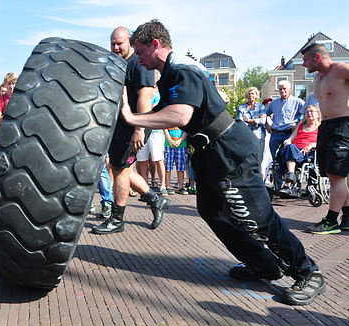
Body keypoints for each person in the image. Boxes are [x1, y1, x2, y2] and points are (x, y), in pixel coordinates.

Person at [120, 19, 324, 306]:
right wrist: (134, 126)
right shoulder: (168, 73)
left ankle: (307, 272)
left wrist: (133, 119)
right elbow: (164, 109)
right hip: (210, 155)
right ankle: (264, 264)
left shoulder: (182, 69)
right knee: (212, 211)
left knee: (257, 218)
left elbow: (179, 115)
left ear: (156, 44)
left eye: (139, 51)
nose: (137, 58)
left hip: (231, 152)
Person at [91, 26, 171, 235]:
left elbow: (145, 96)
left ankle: (117, 219)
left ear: (129, 42)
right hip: (121, 127)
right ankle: (155, 200)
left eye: (120, 43)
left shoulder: (138, 63)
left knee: (120, 171)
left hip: (132, 128)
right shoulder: (121, 64)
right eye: (112, 44)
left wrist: (139, 129)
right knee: (122, 169)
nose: (116, 47)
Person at [301, 43, 349, 234]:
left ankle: (330, 221)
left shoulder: (342, 69)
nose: (304, 64)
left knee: (337, 176)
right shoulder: (319, 79)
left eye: (305, 60)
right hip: (326, 127)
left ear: (317, 57)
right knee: (333, 175)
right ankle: (347, 217)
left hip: (344, 126)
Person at [276, 105, 321, 196]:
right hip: (295, 150)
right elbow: (290, 139)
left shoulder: (321, 127)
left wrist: (312, 145)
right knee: (289, 147)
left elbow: (323, 142)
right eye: (307, 112)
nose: (309, 113)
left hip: (309, 152)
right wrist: (287, 142)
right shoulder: (300, 126)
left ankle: (287, 184)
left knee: (288, 153)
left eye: (311, 111)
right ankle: (291, 176)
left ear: (318, 114)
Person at [266, 81, 304, 160]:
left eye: (284, 89)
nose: (282, 91)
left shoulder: (298, 102)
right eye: (280, 89)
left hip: (289, 133)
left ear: (290, 89)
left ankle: (287, 171)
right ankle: (275, 171)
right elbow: (264, 114)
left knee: (287, 157)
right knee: (275, 158)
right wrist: (267, 125)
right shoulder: (274, 103)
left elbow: (306, 114)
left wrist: (298, 126)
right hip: (275, 133)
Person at [237, 87, 266, 167]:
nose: (250, 95)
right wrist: (256, 121)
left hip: (259, 136)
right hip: (247, 137)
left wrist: (248, 120)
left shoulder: (261, 107)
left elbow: (263, 121)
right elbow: (240, 122)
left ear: (256, 95)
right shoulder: (241, 107)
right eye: (249, 94)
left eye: (252, 93)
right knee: (246, 161)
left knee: (258, 160)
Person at [163, 128, 188, 194]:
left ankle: (181, 187)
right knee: (168, 166)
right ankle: (168, 186)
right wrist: (170, 141)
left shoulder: (183, 118)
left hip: (181, 145)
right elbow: (165, 129)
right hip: (169, 145)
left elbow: (186, 130)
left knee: (181, 167)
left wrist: (180, 140)